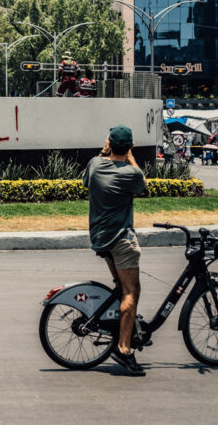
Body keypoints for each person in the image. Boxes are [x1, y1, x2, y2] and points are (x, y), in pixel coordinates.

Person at [82, 125, 147, 376]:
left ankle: (123, 329)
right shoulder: (131, 174)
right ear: (130, 146)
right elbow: (141, 184)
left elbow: (86, 179)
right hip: (121, 239)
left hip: (99, 236)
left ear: (108, 144)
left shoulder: (95, 165)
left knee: (121, 288)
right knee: (132, 291)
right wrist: (128, 154)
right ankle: (123, 348)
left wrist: (105, 149)